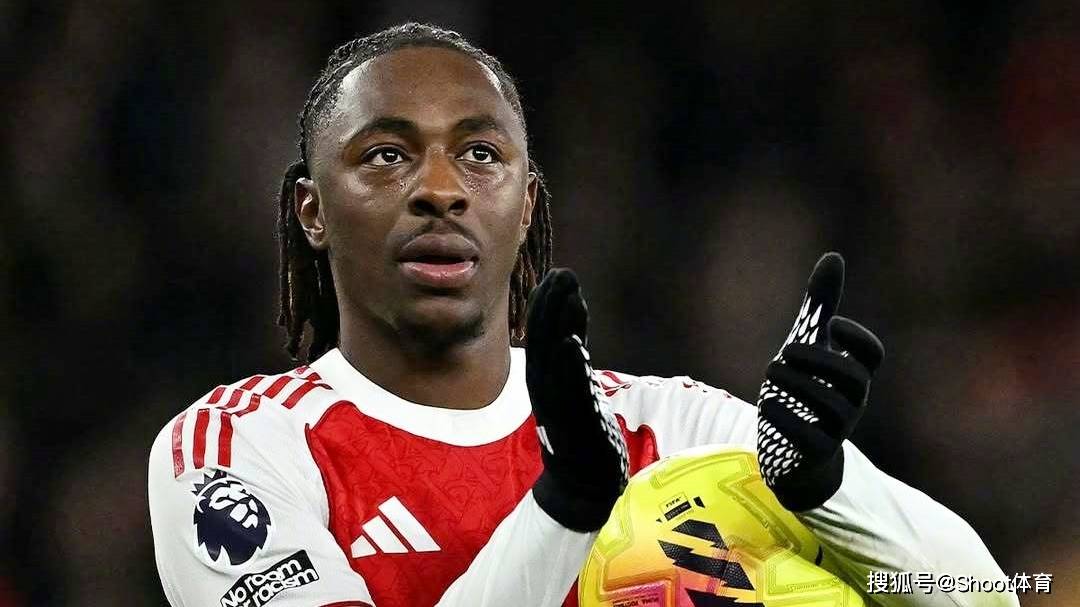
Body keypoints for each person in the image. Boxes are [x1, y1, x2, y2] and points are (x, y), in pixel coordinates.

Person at [148, 23, 1018, 607]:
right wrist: (567, 505)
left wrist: (828, 488)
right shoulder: (239, 450)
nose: (440, 189)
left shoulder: (668, 427)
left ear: (525, 204)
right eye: (386, 154)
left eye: (479, 153)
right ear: (312, 210)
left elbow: (983, 594)